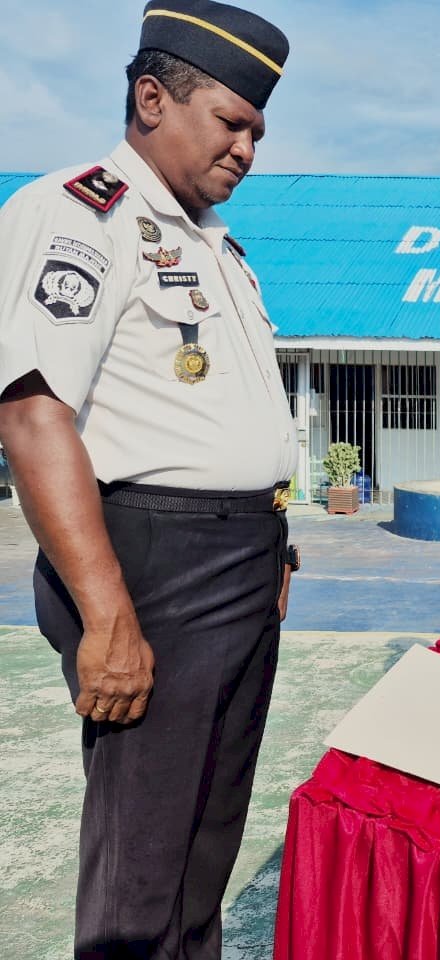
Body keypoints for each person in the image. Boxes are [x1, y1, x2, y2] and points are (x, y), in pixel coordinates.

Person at [0, 3, 298, 956]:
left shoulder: (214, 243)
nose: (248, 147)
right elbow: (33, 412)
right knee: (142, 860)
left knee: (205, 845)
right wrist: (107, 616)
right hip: (153, 565)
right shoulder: (82, 213)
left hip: (243, 562)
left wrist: (272, 542)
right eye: (232, 122)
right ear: (151, 97)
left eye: (258, 129)